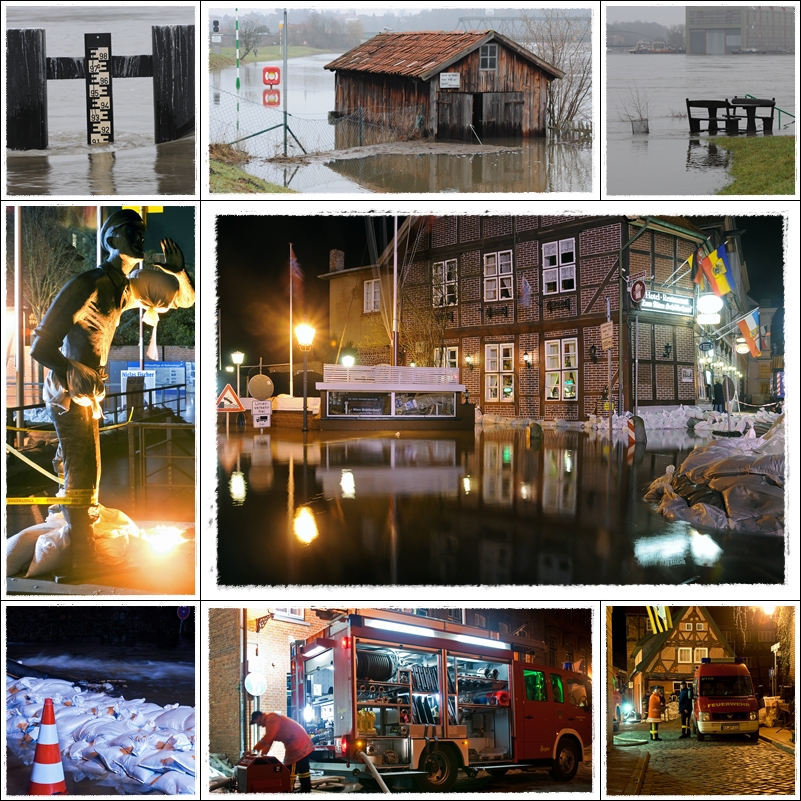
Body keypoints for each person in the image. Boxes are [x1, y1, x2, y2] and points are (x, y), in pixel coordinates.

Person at [30, 209, 194, 573]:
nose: (140, 237)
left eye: (141, 231)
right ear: (110, 238)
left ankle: (80, 544)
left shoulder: (126, 288)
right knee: (82, 471)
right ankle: (82, 556)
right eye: (129, 230)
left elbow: (185, 300)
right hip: (69, 392)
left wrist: (178, 270)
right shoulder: (87, 284)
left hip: (91, 393)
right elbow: (40, 348)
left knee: (88, 472)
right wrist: (75, 372)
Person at [251, 711, 314, 792]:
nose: (258, 725)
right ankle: (306, 789)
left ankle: (288, 791)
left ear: (258, 717)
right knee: (303, 769)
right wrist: (263, 755)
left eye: (256, 722)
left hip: (296, 743)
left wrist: (256, 748)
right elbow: (270, 741)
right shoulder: (271, 719)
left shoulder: (271, 719)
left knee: (289, 769)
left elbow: (269, 737)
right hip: (301, 741)